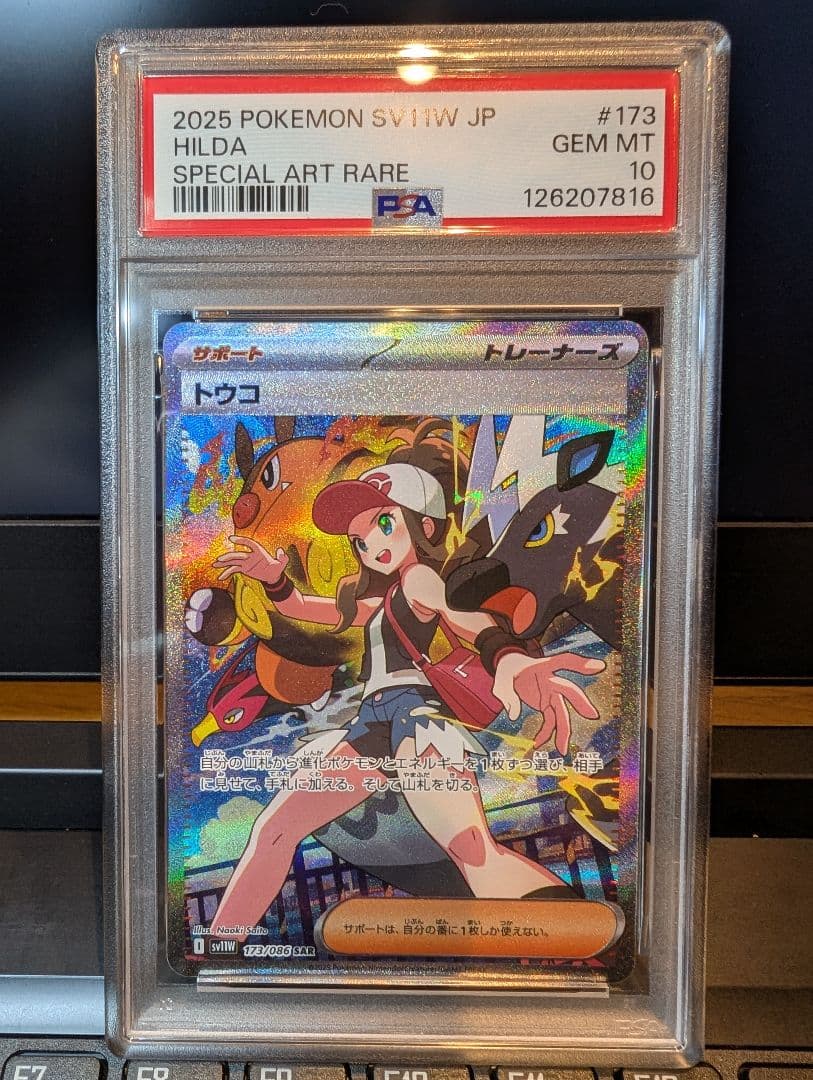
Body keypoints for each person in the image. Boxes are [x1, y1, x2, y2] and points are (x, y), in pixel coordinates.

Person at [208, 430, 604, 939]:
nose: (371, 545)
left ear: (423, 524)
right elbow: (307, 609)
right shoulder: (386, 600)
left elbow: (462, 618)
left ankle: (579, 938)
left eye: (383, 523)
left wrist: (506, 656)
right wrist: (274, 579)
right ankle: (220, 947)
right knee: (275, 830)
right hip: (371, 725)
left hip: (414, 716)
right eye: (360, 540)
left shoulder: (419, 580)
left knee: (474, 853)